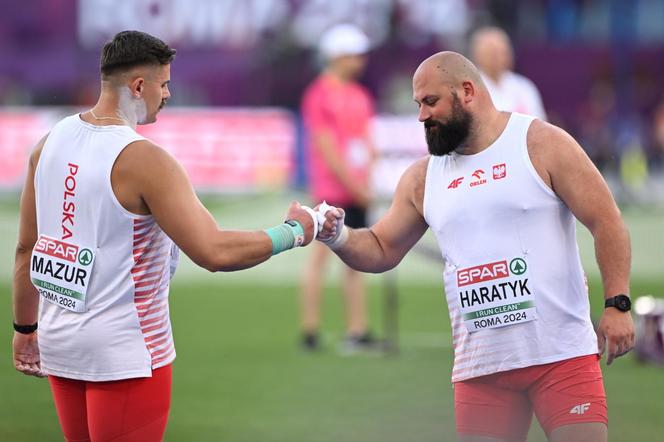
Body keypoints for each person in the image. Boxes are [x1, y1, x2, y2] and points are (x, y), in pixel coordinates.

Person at [11, 30, 334, 442]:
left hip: (60, 343)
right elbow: (213, 251)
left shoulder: (48, 142)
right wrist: (295, 232)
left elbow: (26, 248)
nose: (167, 94)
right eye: (163, 84)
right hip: (126, 352)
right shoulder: (146, 161)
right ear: (138, 86)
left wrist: (24, 329)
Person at [315, 51, 635, 441]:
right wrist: (336, 234)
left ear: (467, 91)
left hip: (561, 357)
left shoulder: (541, 144)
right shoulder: (422, 178)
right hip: (481, 370)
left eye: (430, 102)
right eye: (418, 105)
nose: (421, 116)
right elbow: (381, 248)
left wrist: (618, 303)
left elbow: (607, 220)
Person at [299, 24, 378, 352]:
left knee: (355, 260)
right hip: (332, 190)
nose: (360, 61)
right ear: (339, 56)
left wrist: (366, 182)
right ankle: (310, 330)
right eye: (355, 55)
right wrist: (356, 186)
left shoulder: (360, 95)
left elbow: (368, 143)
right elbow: (327, 149)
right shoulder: (319, 95)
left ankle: (357, 329)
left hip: (358, 188)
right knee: (320, 258)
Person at [469, 26, 547, 120]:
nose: (496, 58)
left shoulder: (524, 87)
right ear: (477, 55)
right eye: (491, 52)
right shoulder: (471, 90)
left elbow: (540, 124)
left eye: (501, 52)